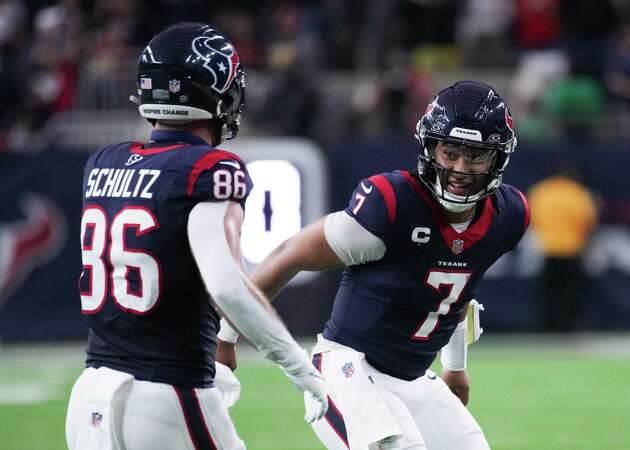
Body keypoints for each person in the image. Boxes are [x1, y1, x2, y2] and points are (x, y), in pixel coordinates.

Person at [218, 80, 529, 449]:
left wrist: (456, 365)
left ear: (498, 158)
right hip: (347, 370)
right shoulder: (392, 205)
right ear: (431, 147)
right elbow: (290, 254)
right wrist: (226, 335)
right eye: (450, 152)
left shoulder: (507, 216)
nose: (461, 168)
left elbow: (461, 289)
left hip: (412, 378)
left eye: (476, 156)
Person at [65, 22, 327, 450]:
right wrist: (300, 368)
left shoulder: (103, 163)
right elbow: (227, 284)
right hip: (168, 393)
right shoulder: (209, 170)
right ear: (216, 92)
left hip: (89, 398)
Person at [528, 164, 598, 331]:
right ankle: (569, 326)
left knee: (550, 292)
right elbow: (588, 221)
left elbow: (530, 218)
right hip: (572, 249)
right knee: (571, 292)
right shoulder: (577, 192)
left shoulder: (541, 191)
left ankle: (549, 326)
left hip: (547, 248)